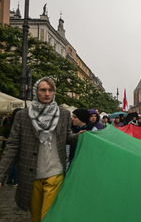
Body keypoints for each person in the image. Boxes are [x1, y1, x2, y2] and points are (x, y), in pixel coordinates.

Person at [0, 77, 82, 222]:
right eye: (43, 90)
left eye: (50, 90)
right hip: (31, 174)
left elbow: (66, 137)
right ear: (36, 91)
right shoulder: (23, 116)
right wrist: (1, 175)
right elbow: (12, 146)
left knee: (48, 217)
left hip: (55, 172)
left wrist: (78, 136)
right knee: (36, 217)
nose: (47, 93)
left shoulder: (63, 114)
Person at [5, 108, 22, 187]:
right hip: (19, 144)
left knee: (12, 163)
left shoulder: (11, 122)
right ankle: (15, 181)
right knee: (16, 164)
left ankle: (8, 180)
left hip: (13, 144)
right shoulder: (20, 122)